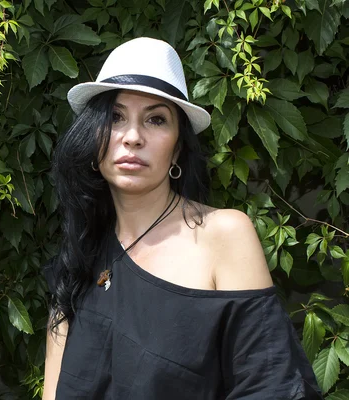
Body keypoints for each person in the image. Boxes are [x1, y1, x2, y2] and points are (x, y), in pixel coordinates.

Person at [43, 37, 322, 400]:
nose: (132, 137)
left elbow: (271, 385)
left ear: (177, 148)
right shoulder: (81, 252)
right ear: (92, 136)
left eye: (156, 119)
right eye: (115, 117)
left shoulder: (223, 235)